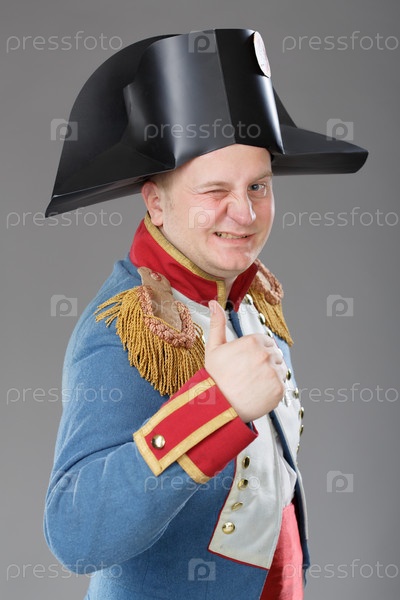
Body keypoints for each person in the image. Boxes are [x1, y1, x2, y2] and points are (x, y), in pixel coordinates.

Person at [44, 29, 367, 599]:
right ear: (156, 203)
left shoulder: (253, 298)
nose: (244, 213)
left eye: (258, 186)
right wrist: (213, 405)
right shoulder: (121, 330)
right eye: (214, 190)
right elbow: (74, 534)